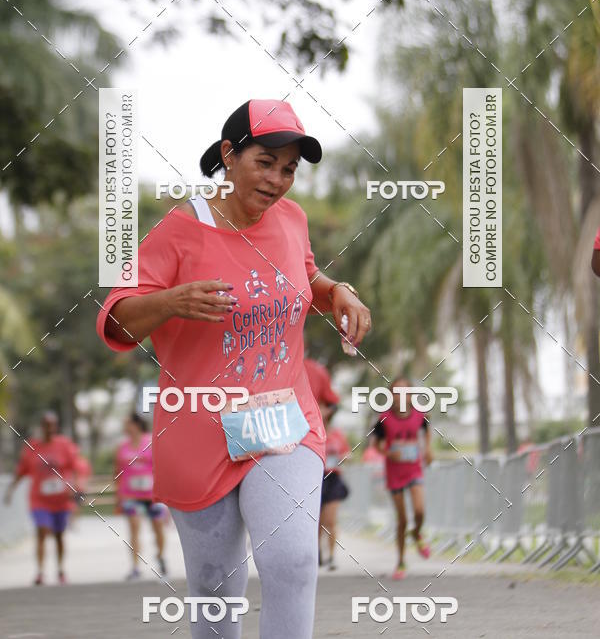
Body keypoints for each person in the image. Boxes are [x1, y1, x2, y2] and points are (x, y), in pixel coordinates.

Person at [96, 98, 372, 639]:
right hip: (198, 427)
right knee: (215, 587)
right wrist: (172, 301)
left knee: (292, 561)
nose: (277, 180)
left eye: (289, 168)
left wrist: (338, 292)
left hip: (281, 420)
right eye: (264, 162)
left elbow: (304, 277)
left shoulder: (291, 220)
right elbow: (118, 320)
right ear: (229, 154)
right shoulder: (178, 230)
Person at [3, 411, 79, 585]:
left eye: (53, 425)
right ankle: (40, 572)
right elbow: (21, 471)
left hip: (61, 500)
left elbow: (76, 468)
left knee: (59, 535)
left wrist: (76, 487)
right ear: (42, 426)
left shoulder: (64, 445)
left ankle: (60, 570)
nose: (49, 429)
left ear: (56, 427)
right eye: (46, 425)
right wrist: (10, 490)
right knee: (42, 531)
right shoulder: (32, 447)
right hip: (39, 500)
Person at [373, 376, 432, 580]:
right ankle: (400, 562)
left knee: (419, 510)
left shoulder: (419, 415)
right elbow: (376, 445)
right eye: (396, 392)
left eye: (404, 392)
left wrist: (428, 450)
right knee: (402, 520)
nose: (401, 396)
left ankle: (417, 533)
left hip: (414, 469)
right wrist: (389, 453)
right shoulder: (384, 419)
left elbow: (426, 430)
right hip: (394, 473)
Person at [114, 412, 168, 579]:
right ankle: (135, 567)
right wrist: (118, 496)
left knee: (158, 527)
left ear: (136, 425)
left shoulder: (151, 442)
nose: (125, 427)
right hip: (131, 496)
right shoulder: (123, 446)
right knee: (134, 527)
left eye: (127, 423)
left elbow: (162, 467)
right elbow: (118, 472)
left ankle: (160, 556)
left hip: (152, 495)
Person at [318, 401, 350, 570]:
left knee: (331, 520)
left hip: (334, 477)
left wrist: (345, 457)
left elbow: (347, 452)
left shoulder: (337, 434)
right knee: (317, 521)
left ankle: (331, 556)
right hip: (316, 478)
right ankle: (317, 554)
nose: (326, 410)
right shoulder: (312, 431)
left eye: (328, 407)